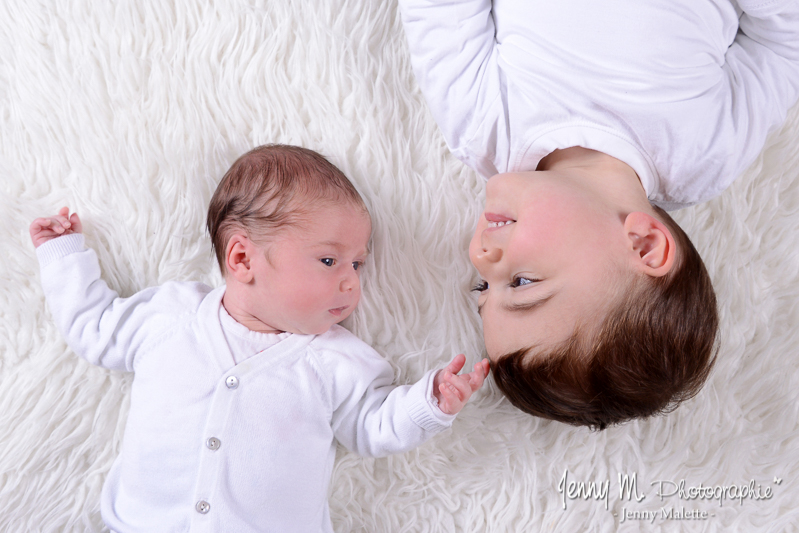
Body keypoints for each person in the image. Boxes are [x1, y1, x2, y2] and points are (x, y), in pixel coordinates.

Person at [30, 144, 490, 533]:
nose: (351, 281)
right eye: (330, 261)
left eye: (358, 264)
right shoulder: (170, 318)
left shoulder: (336, 360)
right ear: (242, 259)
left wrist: (428, 403)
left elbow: (372, 425)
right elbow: (95, 326)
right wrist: (63, 254)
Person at [397, 0, 799, 428]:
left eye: (484, 286)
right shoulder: (706, 154)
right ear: (644, 244)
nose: (480, 256)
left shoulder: (482, 126)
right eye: (521, 283)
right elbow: (782, 44)